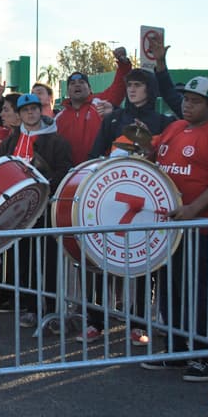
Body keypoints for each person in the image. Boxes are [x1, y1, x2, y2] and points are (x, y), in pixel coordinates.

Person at [139, 77, 208, 382]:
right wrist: (143, 143)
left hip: (201, 228)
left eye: (195, 101)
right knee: (169, 287)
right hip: (170, 226)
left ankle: (203, 354)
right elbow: (154, 154)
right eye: (186, 99)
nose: (187, 104)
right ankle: (175, 348)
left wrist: (193, 211)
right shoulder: (175, 128)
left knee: (195, 290)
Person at [77, 68, 176, 344]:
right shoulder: (113, 119)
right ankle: (95, 320)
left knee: (146, 265)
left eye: (138, 85)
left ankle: (139, 323)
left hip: (147, 205)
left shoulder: (164, 122)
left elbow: (166, 164)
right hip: (110, 203)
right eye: (129, 85)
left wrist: (148, 149)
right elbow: (94, 157)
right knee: (101, 261)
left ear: (151, 89)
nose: (132, 90)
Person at [0, 93, 73, 328]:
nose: (31, 113)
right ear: (19, 115)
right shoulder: (10, 141)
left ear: (41, 111)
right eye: (26, 110)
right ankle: (30, 307)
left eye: (34, 109)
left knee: (48, 261)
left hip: (46, 210)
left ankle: (50, 308)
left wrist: (42, 186)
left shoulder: (57, 141)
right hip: (19, 212)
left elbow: (65, 170)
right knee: (24, 260)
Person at [54, 47, 133, 165]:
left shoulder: (101, 102)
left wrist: (123, 64)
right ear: (68, 91)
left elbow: (119, 86)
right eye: (72, 83)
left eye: (82, 82)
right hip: (69, 175)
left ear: (90, 89)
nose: (77, 85)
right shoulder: (58, 118)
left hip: (99, 171)